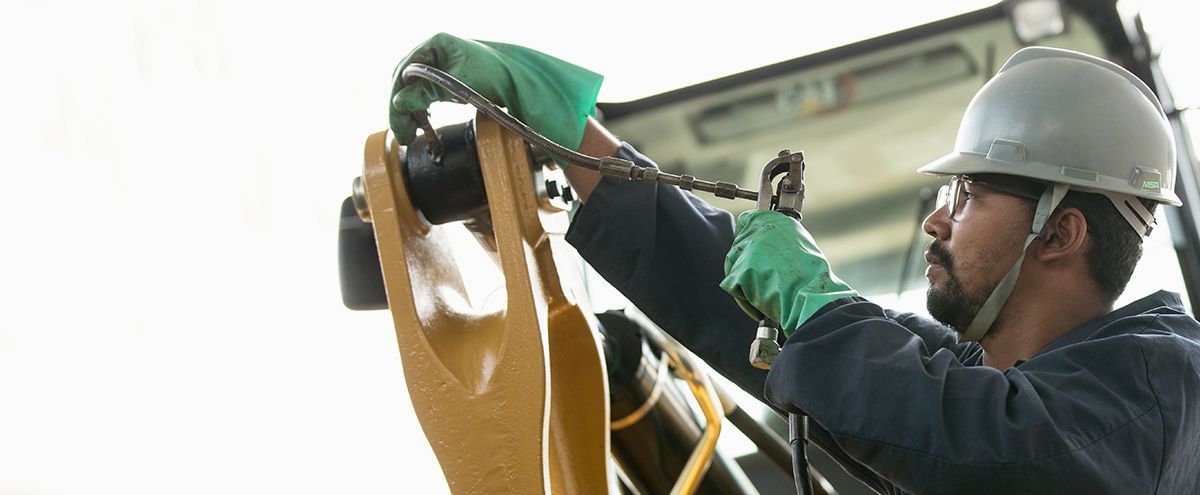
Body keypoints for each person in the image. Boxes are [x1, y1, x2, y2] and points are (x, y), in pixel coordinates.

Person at [390, 33, 1200, 494]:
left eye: (966, 192)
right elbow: (741, 309)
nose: (936, 218)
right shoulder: (992, 380)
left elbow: (1005, 446)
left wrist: (816, 308)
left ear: (1058, 235)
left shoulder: (1166, 383)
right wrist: (570, 129)